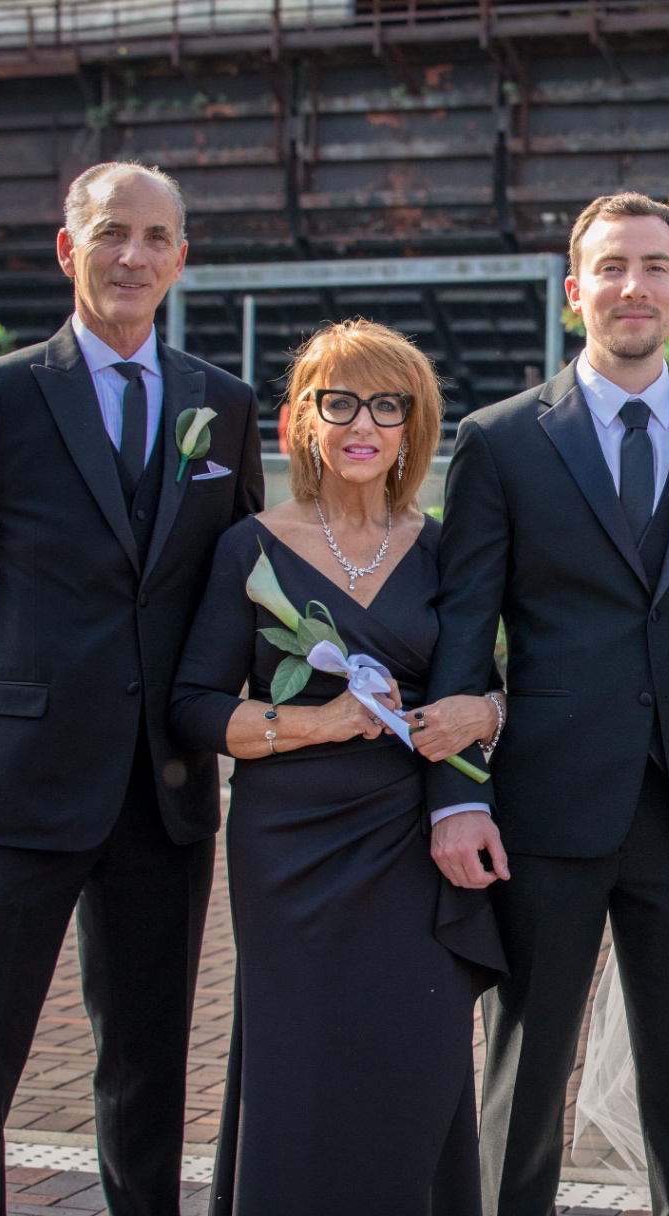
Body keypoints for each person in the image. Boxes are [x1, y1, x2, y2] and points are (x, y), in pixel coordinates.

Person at [0, 161, 265, 1216]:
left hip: (162, 788)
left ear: (182, 259)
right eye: (110, 234)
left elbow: (237, 590)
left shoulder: (222, 408)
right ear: (69, 249)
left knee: (149, 1059)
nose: (132, 256)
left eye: (154, 238)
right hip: (16, 785)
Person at [429, 192, 669, 1216]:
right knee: (526, 1070)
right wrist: (456, 796)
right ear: (576, 289)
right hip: (544, 806)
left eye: (655, 265)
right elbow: (463, 631)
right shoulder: (503, 442)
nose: (635, 285)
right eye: (612, 266)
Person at [170, 320, 505, 1214]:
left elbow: (491, 693)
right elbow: (195, 706)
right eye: (340, 402)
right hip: (292, 849)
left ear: (412, 425)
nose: (364, 423)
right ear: (304, 422)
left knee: (417, 1059)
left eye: (387, 405)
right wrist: (319, 724)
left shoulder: (444, 550)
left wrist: (484, 713)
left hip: (410, 843)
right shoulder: (250, 546)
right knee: (303, 1066)